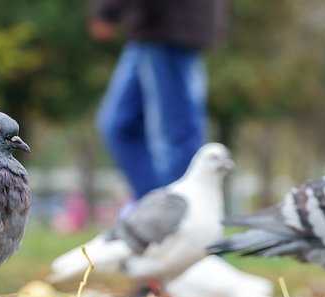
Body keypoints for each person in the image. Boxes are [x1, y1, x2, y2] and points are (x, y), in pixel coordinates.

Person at [91, 0, 228, 199]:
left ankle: (182, 217)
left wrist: (108, 11)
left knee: (176, 138)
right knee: (118, 125)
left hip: (172, 24)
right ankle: (155, 210)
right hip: (149, 26)